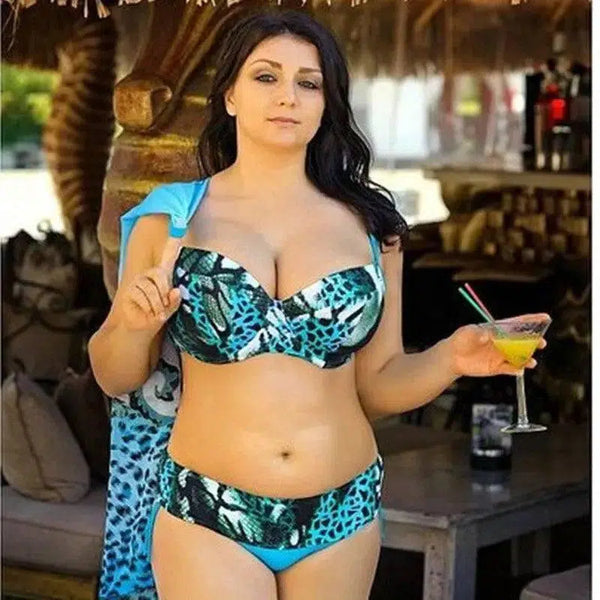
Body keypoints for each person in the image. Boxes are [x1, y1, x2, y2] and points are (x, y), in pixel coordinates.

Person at [89, 9, 546, 600]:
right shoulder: (171, 219)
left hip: (342, 512)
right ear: (229, 96)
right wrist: (133, 326)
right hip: (208, 512)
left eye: (309, 83)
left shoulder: (372, 226)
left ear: (327, 103)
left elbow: (376, 385)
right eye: (266, 77)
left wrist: (451, 358)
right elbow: (116, 376)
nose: (288, 96)